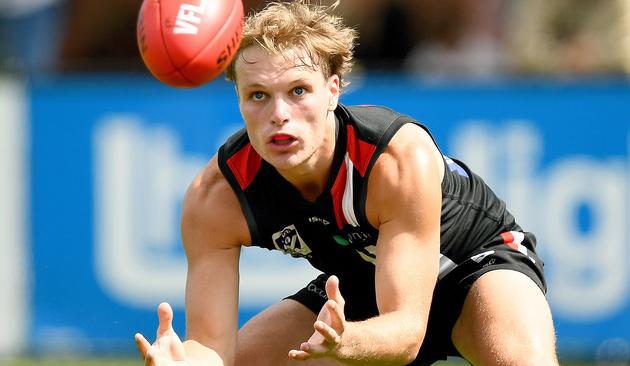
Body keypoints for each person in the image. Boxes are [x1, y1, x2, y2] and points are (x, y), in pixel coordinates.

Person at [134, 1, 559, 365]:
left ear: (333, 91)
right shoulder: (217, 196)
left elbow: (407, 332)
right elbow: (213, 349)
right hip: (363, 282)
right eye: (258, 95)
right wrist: (188, 360)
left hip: (475, 260)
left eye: (298, 91)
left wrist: (345, 342)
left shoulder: (393, 157)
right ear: (239, 100)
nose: (278, 113)